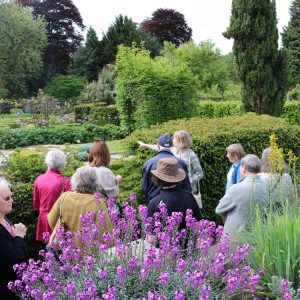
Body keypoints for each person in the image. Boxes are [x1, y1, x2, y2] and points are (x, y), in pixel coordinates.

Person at [48, 166, 113, 246]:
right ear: (95, 183)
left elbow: (51, 220)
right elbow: (105, 230)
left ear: (75, 180)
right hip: (90, 251)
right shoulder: (99, 202)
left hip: (67, 248)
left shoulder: (64, 197)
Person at [215, 154, 268, 238]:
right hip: (257, 237)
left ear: (243, 169)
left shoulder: (236, 188)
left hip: (235, 239)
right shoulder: (265, 187)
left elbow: (219, 209)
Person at [139, 130, 203, 194]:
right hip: (176, 188)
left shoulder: (191, 155)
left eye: (174, 139)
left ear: (181, 141)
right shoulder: (174, 150)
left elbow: (200, 173)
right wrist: (145, 145)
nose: (172, 140)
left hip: (188, 190)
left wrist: (190, 180)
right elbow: (160, 148)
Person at [147, 157, 202, 230]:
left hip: (164, 240)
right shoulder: (189, 196)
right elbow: (199, 221)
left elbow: (151, 235)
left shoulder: (154, 203)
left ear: (157, 178)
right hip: (189, 240)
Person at [33, 149, 71, 242]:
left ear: (47, 162)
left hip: (44, 219)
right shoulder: (65, 181)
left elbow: (36, 205)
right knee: (61, 251)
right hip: (58, 220)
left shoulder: (39, 179)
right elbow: (69, 206)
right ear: (62, 164)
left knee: (49, 251)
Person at [142, 134, 192, 203]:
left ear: (158, 146)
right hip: (178, 204)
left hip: (155, 204)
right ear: (172, 146)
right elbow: (187, 187)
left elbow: (144, 188)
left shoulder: (148, 163)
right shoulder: (181, 163)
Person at [0, 178, 27, 300]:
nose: (12, 200)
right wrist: (19, 237)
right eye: (7, 198)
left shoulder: (4, 219)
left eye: (11, 196)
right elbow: (16, 263)